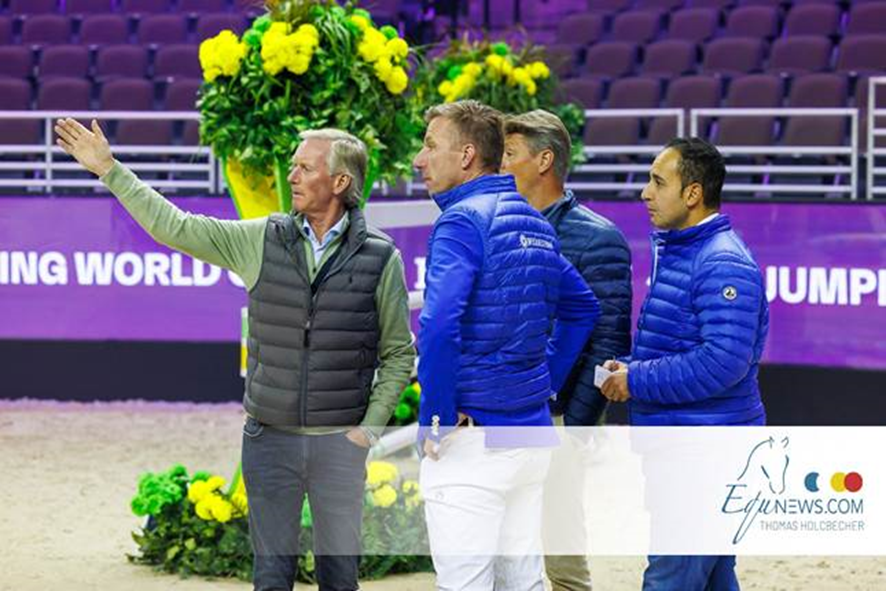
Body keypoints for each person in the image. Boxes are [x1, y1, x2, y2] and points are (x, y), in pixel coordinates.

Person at [55, 119, 415, 591]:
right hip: (269, 441)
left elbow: (398, 353)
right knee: (270, 578)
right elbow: (175, 227)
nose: (291, 176)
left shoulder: (381, 257)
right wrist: (110, 170)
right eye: (293, 166)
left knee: (340, 580)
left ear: (340, 181)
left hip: (339, 445)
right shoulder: (261, 239)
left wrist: (368, 430)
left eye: (305, 169)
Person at [413, 100, 600, 591]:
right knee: (524, 580)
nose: (419, 158)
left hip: (473, 439)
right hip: (529, 433)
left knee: (465, 583)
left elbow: (438, 326)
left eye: (430, 145)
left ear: (467, 155)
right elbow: (583, 308)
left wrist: (435, 417)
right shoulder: (536, 223)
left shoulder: (461, 222)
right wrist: (543, 382)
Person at [600, 137, 769, 591]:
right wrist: (630, 366)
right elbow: (682, 345)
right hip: (693, 446)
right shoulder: (687, 251)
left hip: (703, 454)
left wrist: (637, 379)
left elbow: (723, 362)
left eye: (658, 182)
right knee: (712, 577)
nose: (645, 193)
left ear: (692, 193)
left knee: (670, 579)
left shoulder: (722, 262)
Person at [501, 109, 632, 591]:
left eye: (510, 154)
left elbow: (609, 343)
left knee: (561, 551)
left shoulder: (598, 239)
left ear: (544, 161)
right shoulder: (498, 226)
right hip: (503, 410)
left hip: (556, 418)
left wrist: (573, 426)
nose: (500, 164)